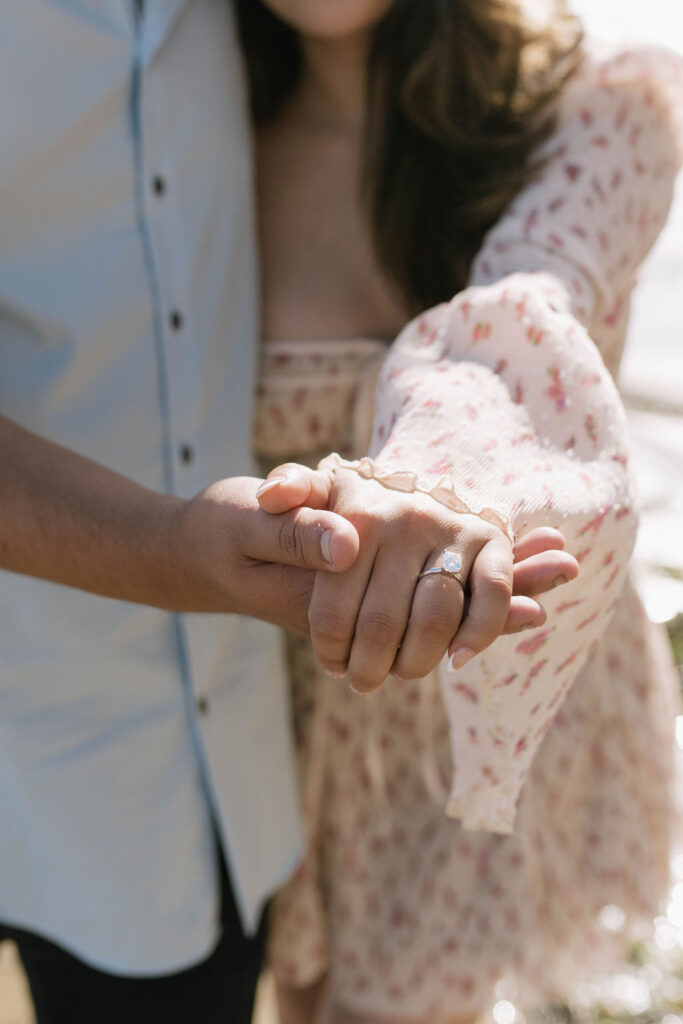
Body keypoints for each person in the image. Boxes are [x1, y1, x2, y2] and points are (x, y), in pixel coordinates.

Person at [0, 3, 578, 1023]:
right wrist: (164, 549)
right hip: (44, 705)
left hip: (220, 768)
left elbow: (523, 311)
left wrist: (426, 489)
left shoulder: (261, 37)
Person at [232, 0, 683, 1021]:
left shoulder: (597, 110)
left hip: (506, 686)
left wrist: (421, 484)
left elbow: (525, 311)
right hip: (296, 717)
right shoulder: (191, 140)